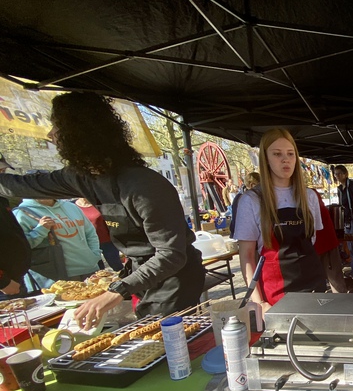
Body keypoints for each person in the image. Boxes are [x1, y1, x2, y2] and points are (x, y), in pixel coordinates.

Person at [0, 92, 205, 325]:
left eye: (57, 127)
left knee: (166, 337)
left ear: (78, 133)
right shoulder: (82, 178)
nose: (51, 135)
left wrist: (117, 291)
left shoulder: (144, 186)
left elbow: (171, 254)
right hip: (140, 275)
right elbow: (20, 186)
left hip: (174, 280)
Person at [233, 129, 326, 312]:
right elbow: (247, 257)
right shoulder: (251, 200)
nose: (285, 160)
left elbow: (312, 241)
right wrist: (259, 302)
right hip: (276, 295)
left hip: (314, 288)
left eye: (290, 154)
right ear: (265, 159)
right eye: (277, 154)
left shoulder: (309, 196)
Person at [14, 198, 102, 290]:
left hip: (90, 270)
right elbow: (19, 249)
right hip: (55, 279)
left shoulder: (71, 207)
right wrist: (40, 230)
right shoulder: (21, 214)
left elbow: (90, 233)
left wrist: (95, 255)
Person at [0, 155, 31, 299]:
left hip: (15, 278)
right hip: (5, 285)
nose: (3, 177)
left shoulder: (2, 200)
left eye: (3, 172)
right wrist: (3, 282)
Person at [75, 197, 124, 271]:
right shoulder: (72, 206)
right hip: (88, 243)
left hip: (107, 240)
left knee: (116, 264)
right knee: (98, 269)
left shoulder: (98, 202)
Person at [312, 189, 347, 293]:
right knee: (334, 280)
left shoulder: (309, 194)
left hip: (323, 243)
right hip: (323, 243)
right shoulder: (311, 193)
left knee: (334, 280)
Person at [229, 171, 260, 236]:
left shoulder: (240, 197)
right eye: (259, 185)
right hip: (247, 234)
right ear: (252, 185)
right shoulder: (243, 198)